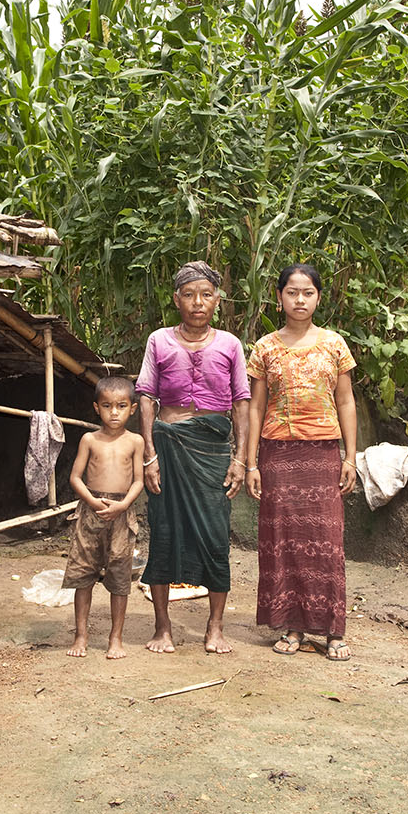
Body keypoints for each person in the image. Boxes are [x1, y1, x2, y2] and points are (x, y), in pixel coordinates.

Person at [244, 263, 358, 661]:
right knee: (285, 542)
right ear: (279, 297)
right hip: (277, 456)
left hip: (323, 456)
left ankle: (333, 631)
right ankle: (292, 626)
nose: (300, 300)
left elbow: (345, 401)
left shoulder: (334, 345)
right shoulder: (265, 348)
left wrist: (350, 457)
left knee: (326, 543)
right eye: (292, 292)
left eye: (308, 293)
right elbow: (255, 407)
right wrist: (251, 463)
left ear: (318, 298)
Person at [136, 261, 251, 654]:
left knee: (216, 537)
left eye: (205, 295)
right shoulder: (159, 341)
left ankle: (214, 627)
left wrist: (240, 459)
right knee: (163, 533)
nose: (197, 302)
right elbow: (146, 397)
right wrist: (149, 455)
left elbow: (241, 403)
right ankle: (162, 627)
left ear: (217, 300)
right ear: (176, 300)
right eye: (189, 295)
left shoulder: (230, 344)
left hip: (213, 450)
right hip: (167, 448)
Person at [63, 376, 145, 659]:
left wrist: (123, 505)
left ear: (132, 409)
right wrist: (92, 501)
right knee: (83, 574)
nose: (114, 413)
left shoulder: (135, 441)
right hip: (91, 512)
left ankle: (116, 637)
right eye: (107, 406)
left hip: (122, 513)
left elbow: (138, 480)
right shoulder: (90, 439)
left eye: (121, 406)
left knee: (120, 576)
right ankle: (81, 635)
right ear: (96, 408)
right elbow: (75, 477)